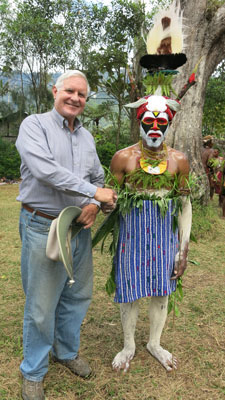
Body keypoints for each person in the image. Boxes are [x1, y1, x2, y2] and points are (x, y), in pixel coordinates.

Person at [16, 70, 117, 400]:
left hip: (79, 228)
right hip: (43, 225)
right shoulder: (34, 126)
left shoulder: (87, 138)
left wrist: (92, 202)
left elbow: (99, 178)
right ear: (55, 91)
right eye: (69, 91)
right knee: (42, 304)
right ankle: (33, 370)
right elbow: (44, 170)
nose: (75, 98)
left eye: (82, 95)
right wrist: (93, 192)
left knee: (76, 296)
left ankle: (65, 351)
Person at [105, 94, 192, 373]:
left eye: (161, 122)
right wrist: (105, 206)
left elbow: (185, 204)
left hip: (165, 239)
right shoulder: (123, 158)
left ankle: (154, 343)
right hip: (132, 239)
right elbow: (110, 198)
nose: (155, 127)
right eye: (148, 121)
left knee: (162, 291)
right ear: (139, 122)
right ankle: (128, 344)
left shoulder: (179, 160)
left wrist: (183, 247)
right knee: (129, 291)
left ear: (169, 125)